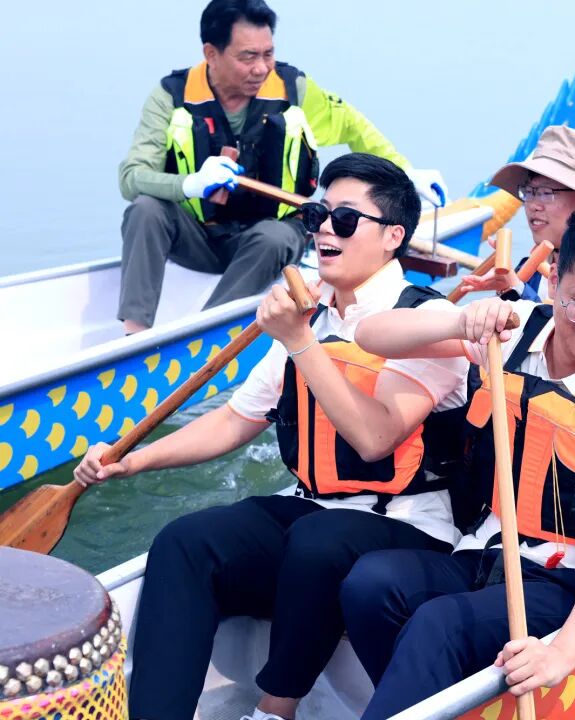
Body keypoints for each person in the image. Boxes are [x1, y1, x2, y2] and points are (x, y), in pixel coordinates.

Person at [75, 154, 468, 720]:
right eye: (317, 216)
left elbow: (375, 439)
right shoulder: (313, 312)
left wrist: (298, 341)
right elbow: (237, 419)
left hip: (406, 526)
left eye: (346, 219)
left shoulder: (424, 321)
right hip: (317, 513)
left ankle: (271, 712)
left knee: (319, 541)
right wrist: (132, 461)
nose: (326, 230)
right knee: (187, 542)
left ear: (393, 237)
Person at [339, 202, 575, 718]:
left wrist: (561, 654)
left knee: (438, 626)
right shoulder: (511, 335)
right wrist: (461, 319)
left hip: (569, 585)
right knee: (370, 584)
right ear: (553, 280)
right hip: (483, 554)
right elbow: (370, 335)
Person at [118, 0, 445, 334]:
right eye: (248, 57)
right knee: (145, 209)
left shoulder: (291, 89)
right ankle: (134, 335)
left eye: (268, 54)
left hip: (269, 238)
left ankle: (204, 333)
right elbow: (131, 178)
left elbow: (352, 126)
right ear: (211, 54)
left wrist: (406, 172)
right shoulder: (171, 96)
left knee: (273, 237)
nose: (261, 68)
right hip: (198, 237)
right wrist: (190, 184)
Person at [455, 125, 575, 302]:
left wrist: (515, 287)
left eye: (546, 193)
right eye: (528, 192)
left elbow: (568, 318)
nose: (533, 205)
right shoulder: (530, 269)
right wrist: (504, 291)